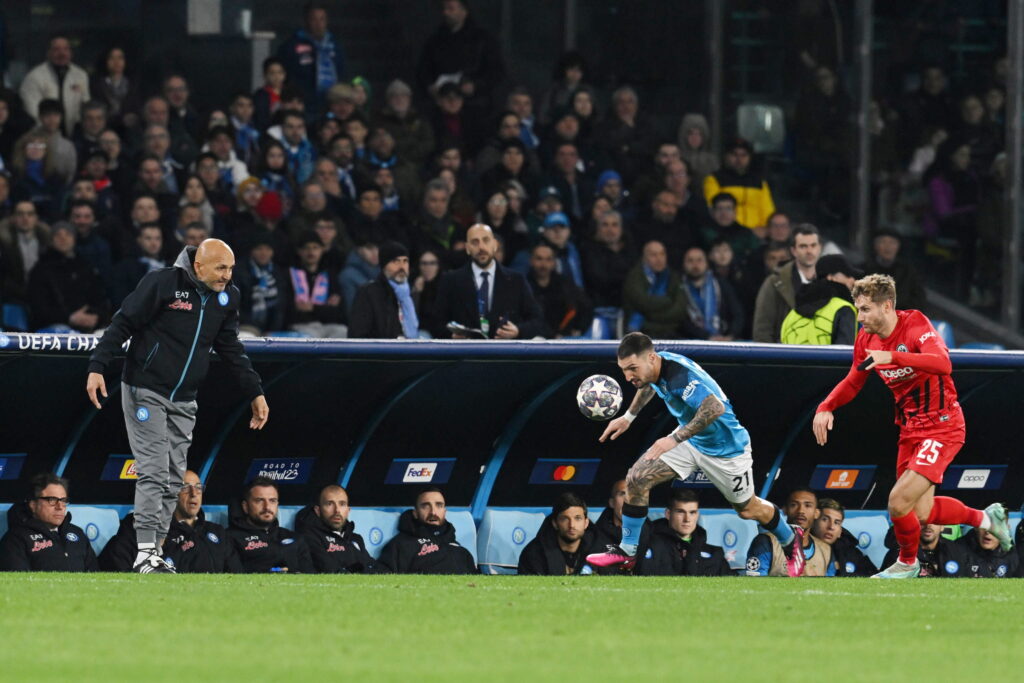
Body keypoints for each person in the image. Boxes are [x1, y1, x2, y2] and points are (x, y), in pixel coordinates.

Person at [86, 239, 269, 573]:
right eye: (220, 268)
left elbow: (230, 347)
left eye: (230, 269)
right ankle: (143, 553)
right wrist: (97, 367)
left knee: (174, 479)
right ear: (198, 266)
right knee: (154, 470)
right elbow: (123, 322)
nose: (227, 276)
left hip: (185, 399)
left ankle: (155, 552)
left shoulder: (228, 297)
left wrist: (255, 392)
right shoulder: (163, 283)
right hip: (145, 389)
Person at [813, 274, 1012, 578]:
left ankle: (907, 563)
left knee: (897, 502)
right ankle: (986, 518)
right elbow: (854, 380)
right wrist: (826, 406)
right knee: (918, 512)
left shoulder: (915, 324)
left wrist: (891, 356)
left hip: (942, 426)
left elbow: (943, 362)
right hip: (910, 429)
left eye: (866, 309)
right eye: (858, 309)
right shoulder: (865, 340)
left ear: (887, 306)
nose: (860, 317)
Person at [587, 332, 803, 574]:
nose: (627, 377)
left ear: (650, 357)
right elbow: (648, 384)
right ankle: (627, 552)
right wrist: (629, 417)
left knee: (747, 509)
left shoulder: (680, 376)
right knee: (637, 478)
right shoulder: (656, 366)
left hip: (726, 448)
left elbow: (714, 407)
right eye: (624, 369)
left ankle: (790, 539)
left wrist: (674, 438)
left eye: (632, 368)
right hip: (693, 439)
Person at [100, 470, 242, 573]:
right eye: (185, 487)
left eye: (198, 487)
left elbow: (237, 577)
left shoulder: (217, 532)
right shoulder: (142, 527)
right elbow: (117, 569)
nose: (194, 494)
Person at [429, 223, 543, 339]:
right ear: (467, 248)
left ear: (495, 245)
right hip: (465, 354)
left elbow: (537, 321)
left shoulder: (516, 280)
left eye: (486, 241)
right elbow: (436, 323)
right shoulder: (451, 280)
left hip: (504, 354)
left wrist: (518, 331)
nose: (481, 247)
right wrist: (452, 335)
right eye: (475, 242)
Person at [416, 0, 504, 111]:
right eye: (444, 9)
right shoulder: (434, 41)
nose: (446, 13)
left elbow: (496, 71)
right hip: (441, 105)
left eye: (451, 8)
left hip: (475, 106)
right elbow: (423, 70)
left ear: (464, 12)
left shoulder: (482, 40)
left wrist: (475, 86)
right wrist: (430, 86)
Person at [0, 473, 98, 572]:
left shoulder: (78, 534)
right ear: (33, 505)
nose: (60, 507)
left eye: (63, 500)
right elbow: (17, 583)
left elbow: (96, 577)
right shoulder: (16, 539)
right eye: (52, 500)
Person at [27, 222, 109, 332]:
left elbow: (99, 299)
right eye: (58, 235)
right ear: (51, 240)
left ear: (74, 239)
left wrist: (96, 317)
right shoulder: (40, 271)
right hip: (53, 327)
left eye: (68, 234)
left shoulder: (85, 268)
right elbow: (39, 309)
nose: (63, 238)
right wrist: (69, 318)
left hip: (89, 326)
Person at [376, 487, 477, 574]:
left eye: (439, 505)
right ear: (415, 513)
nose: (433, 512)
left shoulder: (459, 550)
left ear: (444, 512)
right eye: (425, 506)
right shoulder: (400, 545)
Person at [636, 489, 732, 576]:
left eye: (692, 512)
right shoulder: (649, 545)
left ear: (697, 515)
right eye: (680, 512)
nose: (687, 519)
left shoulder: (715, 554)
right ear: (668, 514)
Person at [226, 477, 314, 573]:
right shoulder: (229, 538)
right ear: (245, 506)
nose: (267, 507)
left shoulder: (295, 538)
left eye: (272, 501)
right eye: (259, 500)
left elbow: (309, 576)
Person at [752, 224, 822, 343]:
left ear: (820, 248)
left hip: (824, 355)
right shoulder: (774, 282)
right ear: (793, 250)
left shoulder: (832, 280)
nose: (809, 251)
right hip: (784, 355)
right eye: (803, 246)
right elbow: (762, 329)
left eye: (813, 245)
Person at [745, 488, 835, 577]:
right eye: (794, 505)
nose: (801, 511)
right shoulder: (767, 542)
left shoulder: (826, 551)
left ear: (817, 513)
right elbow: (756, 584)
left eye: (807, 505)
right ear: (785, 510)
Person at [780, 254, 860, 346]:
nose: (853, 280)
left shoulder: (792, 314)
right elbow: (844, 354)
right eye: (848, 275)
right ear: (831, 277)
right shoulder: (844, 309)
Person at [294, 484, 376, 573]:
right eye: (329, 504)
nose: (337, 510)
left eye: (342, 504)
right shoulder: (308, 536)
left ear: (348, 510)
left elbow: (373, 567)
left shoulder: (356, 539)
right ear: (318, 510)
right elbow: (329, 568)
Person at [19, 34, 90, 136]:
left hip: (74, 133)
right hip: (43, 133)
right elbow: (32, 110)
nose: (62, 53)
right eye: (56, 49)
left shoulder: (81, 75)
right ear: (48, 53)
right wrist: (48, 130)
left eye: (66, 49)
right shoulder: (34, 76)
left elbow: (85, 105)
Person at [517, 492, 599, 575]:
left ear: (586, 523)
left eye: (577, 518)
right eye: (565, 519)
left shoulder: (600, 551)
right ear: (555, 523)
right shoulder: (534, 553)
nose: (572, 525)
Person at [348, 240, 417, 339]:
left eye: (405, 261)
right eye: (395, 261)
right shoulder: (368, 293)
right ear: (384, 266)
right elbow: (358, 334)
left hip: (411, 349)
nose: (402, 267)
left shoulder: (411, 294)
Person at [703, 137, 775, 230]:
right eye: (734, 154)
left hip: (758, 232)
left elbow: (768, 210)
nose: (739, 159)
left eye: (744, 155)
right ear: (726, 156)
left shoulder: (759, 181)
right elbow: (714, 210)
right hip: (729, 232)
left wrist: (765, 229)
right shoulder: (714, 179)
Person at [525, 242, 592, 338]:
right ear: (531, 261)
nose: (543, 264)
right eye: (539, 259)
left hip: (563, 339)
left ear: (554, 263)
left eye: (548, 259)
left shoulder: (565, 284)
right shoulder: (523, 284)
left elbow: (586, 307)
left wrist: (577, 329)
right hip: (533, 340)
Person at [678, 245, 744, 341]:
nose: (695, 265)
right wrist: (707, 337)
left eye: (699, 260)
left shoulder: (720, 284)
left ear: (706, 263)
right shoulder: (679, 287)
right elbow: (680, 321)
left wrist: (731, 336)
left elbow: (738, 314)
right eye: (690, 261)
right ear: (684, 264)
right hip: (691, 342)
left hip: (724, 340)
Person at [288, 230, 347, 337]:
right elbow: (289, 309)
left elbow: (338, 313)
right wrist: (324, 308)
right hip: (301, 325)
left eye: (315, 247)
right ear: (299, 251)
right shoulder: (290, 275)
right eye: (306, 248)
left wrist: (312, 308)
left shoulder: (330, 276)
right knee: (310, 336)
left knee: (343, 331)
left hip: (326, 325)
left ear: (322, 250)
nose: (311, 252)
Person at [622, 240, 686, 338]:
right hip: (641, 332)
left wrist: (652, 316)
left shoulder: (673, 277)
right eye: (653, 255)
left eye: (662, 254)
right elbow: (642, 303)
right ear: (644, 258)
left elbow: (679, 309)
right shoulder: (634, 277)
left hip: (671, 332)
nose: (659, 259)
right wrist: (668, 301)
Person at [864, 229, 927, 313]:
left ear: (899, 246)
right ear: (875, 245)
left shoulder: (909, 272)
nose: (888, 246)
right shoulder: (863, 270)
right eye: (883, 242)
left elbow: (919, 301)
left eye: (892, 243)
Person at [881, 523, 977, 578]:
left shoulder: (958, 552)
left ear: (942, 526)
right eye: (924, 520)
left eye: (935, 521)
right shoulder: (898, 554)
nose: (929, 525)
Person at [812, 498, 876, 577]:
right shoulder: (799, 550)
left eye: (836, 522)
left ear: (840, 532)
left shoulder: (851, 552)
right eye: (825, 519)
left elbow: (874, 577)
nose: (831, 527)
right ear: (813, 522)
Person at [110, 223, 165, 308]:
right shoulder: (125, 267)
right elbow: (120, 299)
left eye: (158, 239)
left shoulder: (171, 266)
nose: (154, 243)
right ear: (139, 240)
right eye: (148, 238)